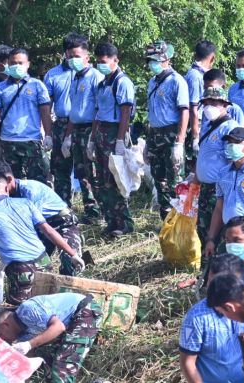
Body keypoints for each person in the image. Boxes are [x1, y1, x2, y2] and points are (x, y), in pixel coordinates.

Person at [0, 164, 83, 305]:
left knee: (16, 312)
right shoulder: (25, 204)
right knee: (46, 303)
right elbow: (48, 231)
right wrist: (73, 254)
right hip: (45, 263)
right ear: (5, 187)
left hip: (21, 270)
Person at [0, 162, 83, 276]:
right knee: (28, 268)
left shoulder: (30, 191)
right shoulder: (5, 196)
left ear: (9, 179)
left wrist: (72, 253)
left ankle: (67, 289)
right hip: (41, 231)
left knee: (70, 262)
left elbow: (43, 229)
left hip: (63, 224)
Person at [89, 41, 137, 238]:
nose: (100, 64)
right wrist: (92, 139)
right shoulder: (102, 84)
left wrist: (119, 141)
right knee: (101, 180)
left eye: (104, 61)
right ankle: (111, 220)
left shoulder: (122, 82)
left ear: (115, 60)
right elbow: (97, 112)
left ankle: (125, 223)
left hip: (115, 132)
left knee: (117, 179)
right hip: (101, 132)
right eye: (98, 61)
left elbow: (126, 112)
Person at [0, 48, 53, 184]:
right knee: (10, 182)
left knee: (38, 182)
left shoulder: (37, 85)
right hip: (7, 142)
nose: (16, 66)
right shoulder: (0, 88)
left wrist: (48, 135)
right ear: (8, 65)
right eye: (13, 63)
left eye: (20, 63)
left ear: (28, 64)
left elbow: (45, 112)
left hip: (31, 141)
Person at [46, 33, 95, 209]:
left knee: (86, 170)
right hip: (61, 125)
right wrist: (48, 133)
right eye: (70, 55)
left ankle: (92, 209)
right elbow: (47, 105)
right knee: (60, 169)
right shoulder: (53, 75)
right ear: (65, 54)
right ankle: (63, 208)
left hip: (85, 126)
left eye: (77, 56)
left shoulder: (92, 75)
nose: (73, 59)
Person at [193, 81, 243, 248]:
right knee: (203, 229)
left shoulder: (230, 127)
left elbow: (235, 159)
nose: (209, 107)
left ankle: (218, 269)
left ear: (224, 105)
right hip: (205, 188)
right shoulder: (208, 125)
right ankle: (206, 270)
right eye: (206, 103)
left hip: (219, 189)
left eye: (214, 103)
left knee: (218, 233)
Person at [144, 40, 190, 218]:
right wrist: (148, 142)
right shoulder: (153, 82)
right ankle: (166, 219)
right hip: (155, 134)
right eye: (150, 60)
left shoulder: (177, 81)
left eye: (155, 60)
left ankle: (181, 219)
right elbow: (152, 113)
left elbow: (184, 111)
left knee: (175, 180)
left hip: (171, 134)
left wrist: (180, 140)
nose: (152, 64)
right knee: (159, 178)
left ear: (165, 59)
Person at [185, 40, 218, 171]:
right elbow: (193, 108)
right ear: (212, 58)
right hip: (195, 125)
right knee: (194, 167)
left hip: (200, 123)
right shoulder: (195, 76)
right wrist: (195, 136)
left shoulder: (199, 75)